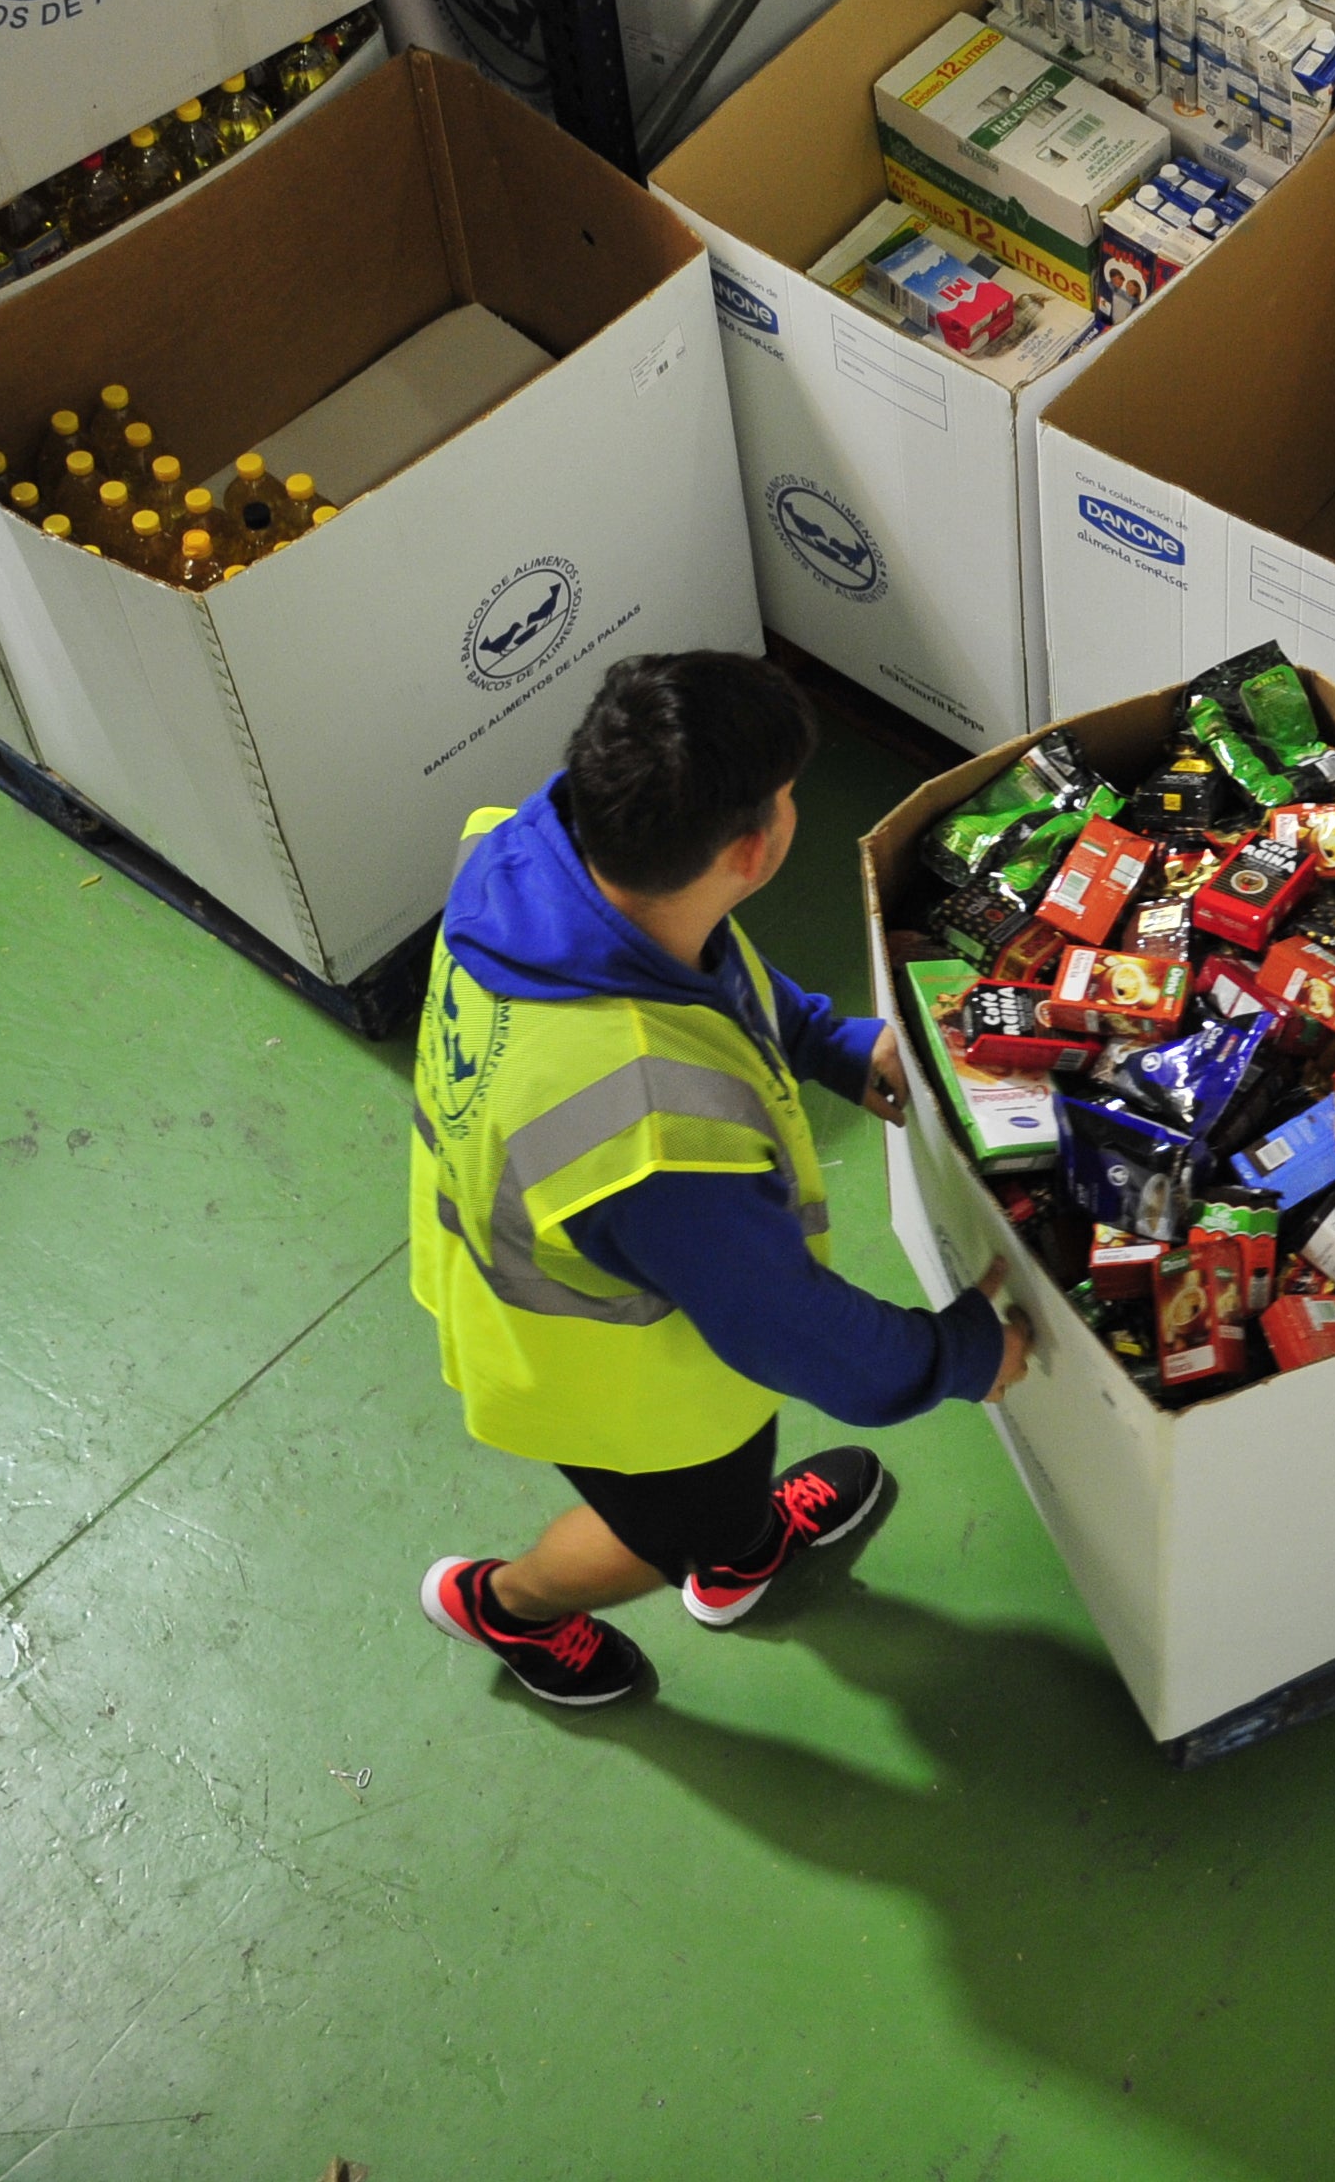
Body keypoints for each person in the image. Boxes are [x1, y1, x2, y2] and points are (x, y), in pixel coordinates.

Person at [407, 650, 1028, 1708]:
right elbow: (790, 1329)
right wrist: (961, 1354)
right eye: (788, 797)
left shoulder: (535, 855)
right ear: (754, 849)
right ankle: (511, 1604)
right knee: (674, 1525)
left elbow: (703, 964)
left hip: (596, 1275)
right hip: (610, 1382)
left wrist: (829, 1042)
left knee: (727, 1495)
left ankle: (742, 1549)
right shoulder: (650, 1132)